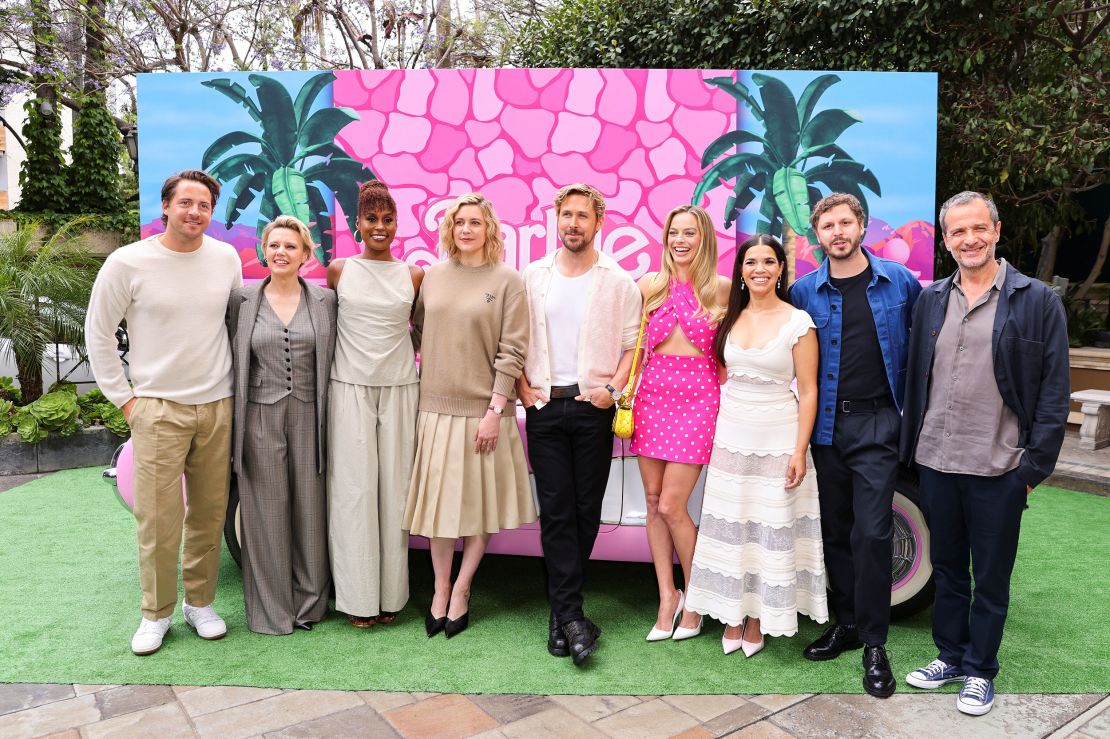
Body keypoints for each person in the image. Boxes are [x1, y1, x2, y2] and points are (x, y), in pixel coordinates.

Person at [900, 191, 1069, 716]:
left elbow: (1054, 391)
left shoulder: (1037, 300)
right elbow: (915, 377)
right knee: (948, 568)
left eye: (978, 228)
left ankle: (980, 669)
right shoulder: (931, 299)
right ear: (946, 239)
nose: (968, 239)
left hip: (1000, 466)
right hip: (936, 461)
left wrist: (1032, 468)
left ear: (996, 230)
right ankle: (949, 656)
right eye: (957, 232)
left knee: (991, 575)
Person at [85, 170, 243, 655]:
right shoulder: (127, 262)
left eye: (204, 206)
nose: (195, 212)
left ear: (211, 214)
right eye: (187, 203)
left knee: (210, 513)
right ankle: (156, 613)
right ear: (167, 208)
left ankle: (201, 604)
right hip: (157, 408)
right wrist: (126, 400)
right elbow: (99, 333)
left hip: (217, 405)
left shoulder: (226, 258)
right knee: (158, 519)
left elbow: (235, 324)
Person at [789, 192, 921, 698]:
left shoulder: (900, 283)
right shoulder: (805, 292)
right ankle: (846, 624)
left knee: (872, 532)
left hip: (879, 427)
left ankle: (874, 642)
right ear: (817, 235)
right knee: (837, 530)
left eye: (846, 223)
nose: (837, 232)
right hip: (826, 429)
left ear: (861, 226)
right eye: (828, 226)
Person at [685, 235, 828, 656]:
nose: (760, 268)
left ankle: (758, 617)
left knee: (770, 528)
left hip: (779, 435)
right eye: (751, 262)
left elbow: (809, 389)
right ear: (742, 271)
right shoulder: (731, 316)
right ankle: (733, 611)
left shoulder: (798, 322)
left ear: (781, 269)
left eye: (769, 261)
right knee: (734, 523)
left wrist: (799, 450)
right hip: (731, 433)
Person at [517, 183, 642, 665]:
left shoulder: (617, 280)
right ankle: (570, 616)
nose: (573, 223)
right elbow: (515, 335)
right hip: (546, 409)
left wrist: (610, 390)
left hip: (594, 410)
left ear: (598, 222)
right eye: (566, 215)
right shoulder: (533, 277)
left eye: (582, 216)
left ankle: (561, 615)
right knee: (557, 509)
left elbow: (633, 345)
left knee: (587, 510)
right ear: (556, 218)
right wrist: (522, 389)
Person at [403, 192, 534, 639]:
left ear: (489, 229)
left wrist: (496, 408)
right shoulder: (433, 277)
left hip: (483, 413)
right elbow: (419, 330)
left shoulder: (508, 280)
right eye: (459, 221)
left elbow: (513, 349)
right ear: (449, 228)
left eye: (475, 222)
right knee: (440, 510)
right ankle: (439, 589)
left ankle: (462, 589)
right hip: (434, 410)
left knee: (477, 510)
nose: (466, 229)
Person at [227, 215, 337, 635]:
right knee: (265, 513)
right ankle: (272, 610)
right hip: (259, 415)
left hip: (311, 415)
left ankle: (309, 605)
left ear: (306, 255)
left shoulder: (326, 301)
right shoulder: (242, 299)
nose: (281, 253)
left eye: (291, 246)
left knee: (311, 509)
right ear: (263, 250)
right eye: (274, 245)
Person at [326, 181, 423, 629]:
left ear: (397, 224)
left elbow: (422, 333)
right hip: (350, 389)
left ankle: (390, 597)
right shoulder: (339, 270)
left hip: (402, 390)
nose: (379, 227)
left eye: (387, 219)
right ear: (357, 223)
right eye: (371, 219)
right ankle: (356, 598)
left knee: (394, 492)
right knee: (354, 492)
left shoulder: (414, 275)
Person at [633, 204, 730, 643]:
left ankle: (696, 597)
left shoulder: (722, 289)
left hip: (698, 400)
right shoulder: (649, 285)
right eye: (674, 232)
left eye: (689, 232)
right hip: (651, 398)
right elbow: (633, 349)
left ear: (704, 238)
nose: (680, 240)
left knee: (674, 506)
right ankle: (666, 596)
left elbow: (736, 352)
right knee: (653, 503)